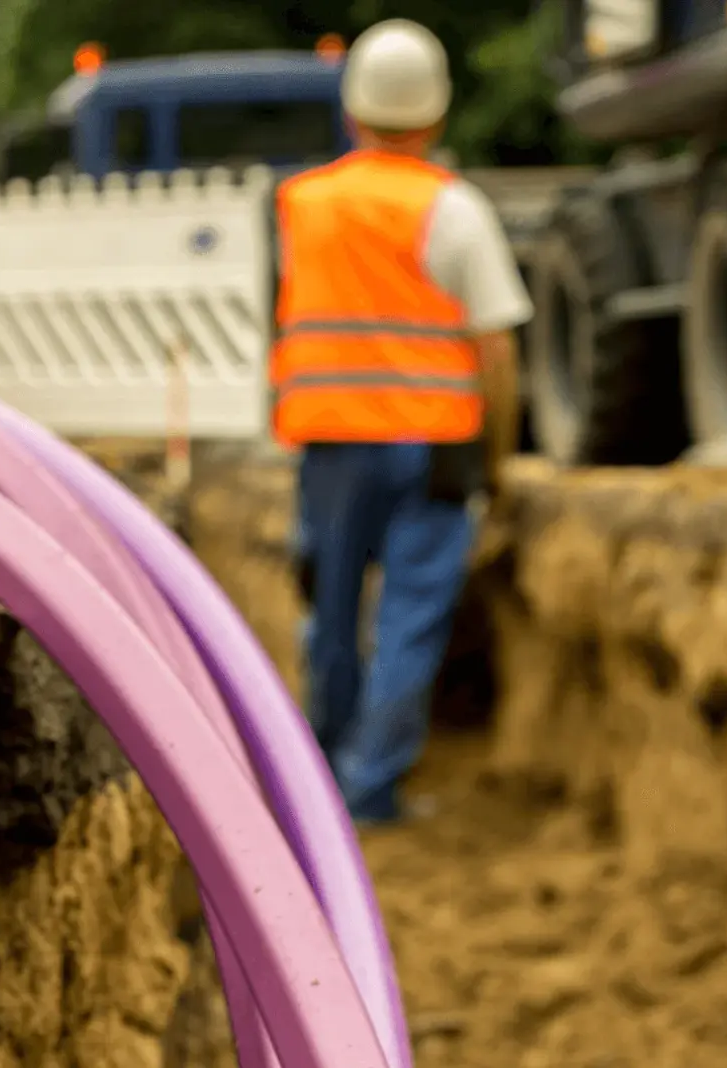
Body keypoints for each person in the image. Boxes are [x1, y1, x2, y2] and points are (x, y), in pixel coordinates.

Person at [271, 19, 531, 825]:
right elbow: (496, 350)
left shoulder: (301, 205)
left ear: (352, 112)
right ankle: (369, 791)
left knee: (333, 618)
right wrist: (498, 463)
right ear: (438, 116)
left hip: (333, 442)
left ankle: (319, 785)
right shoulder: (454, 210)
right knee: (410, 621)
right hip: (435, 445)